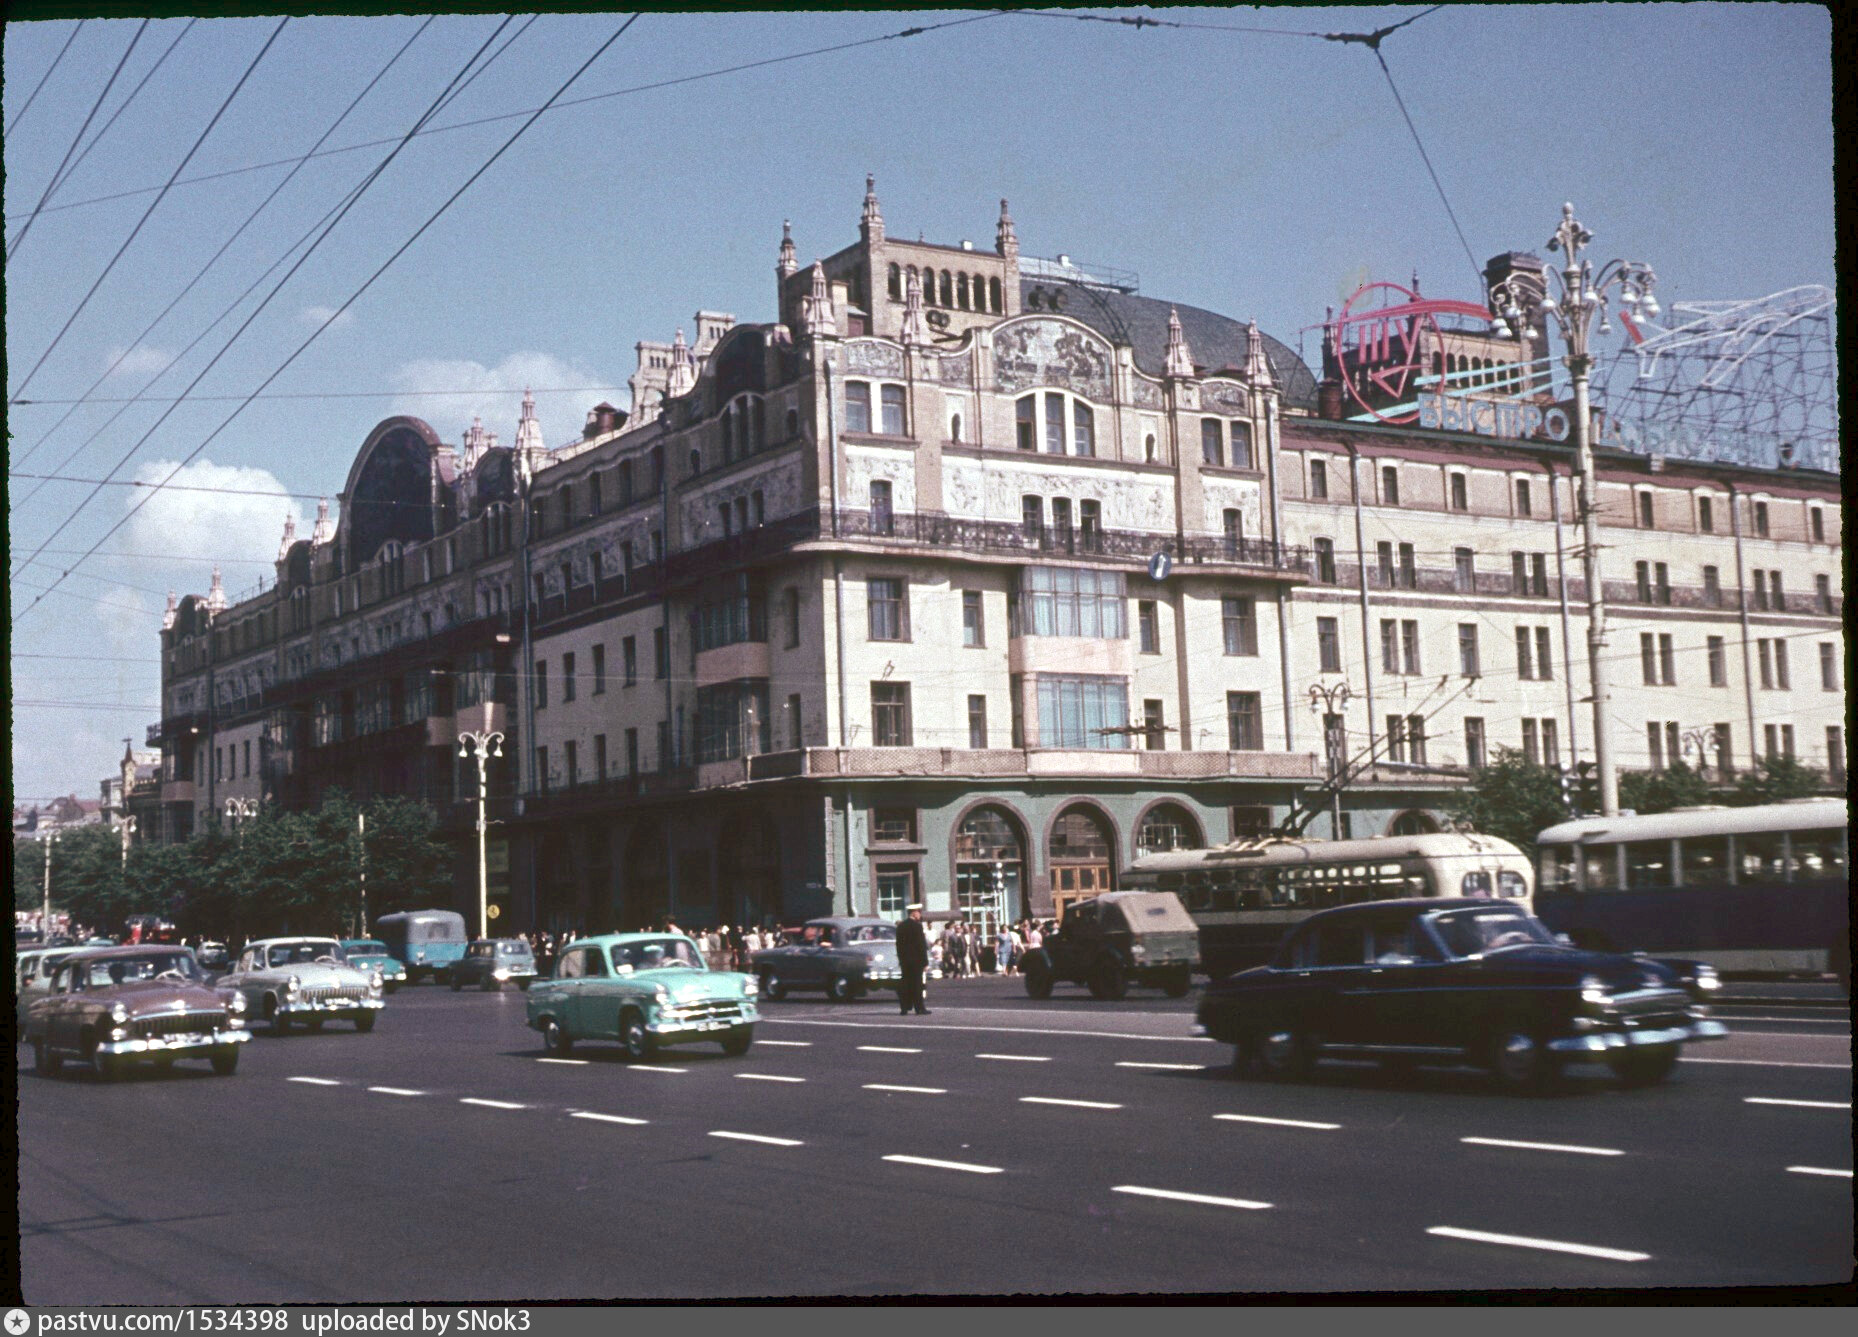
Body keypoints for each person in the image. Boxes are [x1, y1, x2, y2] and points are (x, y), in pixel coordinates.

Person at [895, 903, 930, 1015]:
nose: (920, 915)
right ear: (914, 913)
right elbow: (921, 946)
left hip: (905, 961)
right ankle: (919, 1008)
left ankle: (904, 1008)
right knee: (917, 985)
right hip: (916, 961)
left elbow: (898, 945)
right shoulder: (917, 926)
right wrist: (925, 962)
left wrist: (901, 959)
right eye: (919, 912)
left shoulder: (901, 926)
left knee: (905, 984)